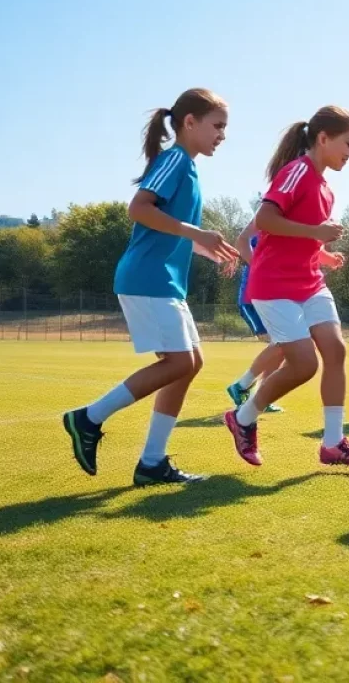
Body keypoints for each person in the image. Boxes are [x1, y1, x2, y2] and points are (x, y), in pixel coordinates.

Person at [63, 89, 238, 486]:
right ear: (189, 122)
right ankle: (87, 418)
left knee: (189, 364)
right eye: (218, 125)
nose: (223, 135)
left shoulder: (189, 169)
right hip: (147, 277)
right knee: (180, 362)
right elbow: (139, 208)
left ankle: (152, 463)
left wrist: (208, 249)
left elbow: (170, 229)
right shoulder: (174, 159)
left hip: (165, 281)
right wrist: (197, 232)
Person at [224, 106, 349, 469]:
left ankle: (333, 444)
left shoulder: (325, 188)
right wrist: (316, 233)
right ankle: (242, 418)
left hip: (310, 283)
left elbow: (298, 238)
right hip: (274, 285)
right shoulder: (296, 172)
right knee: (304, 365)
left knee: (336, 351)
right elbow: (265, 219)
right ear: (323, 139)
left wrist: (323, 254)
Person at [225, 217, 286, 413]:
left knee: (282, 347)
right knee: (281, 343)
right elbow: (243, 245)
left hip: (270, 300)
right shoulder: (262, 234)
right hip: (251, 301)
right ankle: (241, 385)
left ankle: (261, 396)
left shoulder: (283, 236)